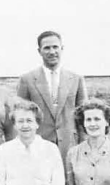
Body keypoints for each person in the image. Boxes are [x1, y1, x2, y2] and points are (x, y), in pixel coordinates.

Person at [17, 31, 87, 162]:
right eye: (47, 48)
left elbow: (83, 116)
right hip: (38, 145)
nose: (52, 51)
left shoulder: (76, 79)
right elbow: (20, 116)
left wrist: (84, 145)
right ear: (39, 51)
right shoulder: (27, 79)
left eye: (55, 47)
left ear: (62, 48)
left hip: (70, 146)